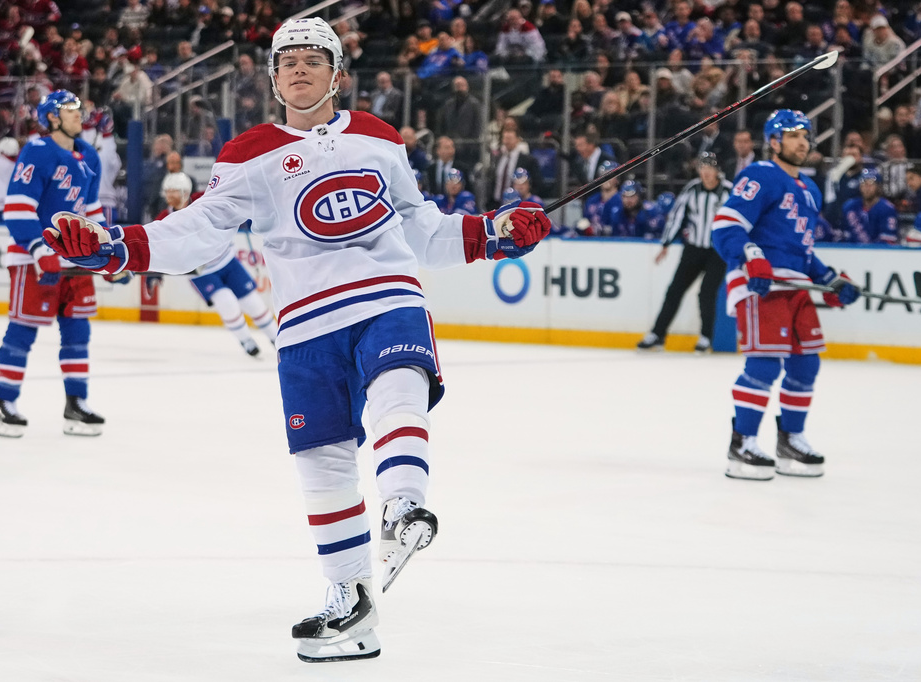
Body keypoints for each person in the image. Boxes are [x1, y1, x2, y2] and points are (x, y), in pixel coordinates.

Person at [41, 17, 551, 663]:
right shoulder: (247, 151)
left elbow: (423, 227)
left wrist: (495, 233)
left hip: (385, 294)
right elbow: (198, 230)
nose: (299, 69)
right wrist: (117, 247)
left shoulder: (377, 136)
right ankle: (352, 605)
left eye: (314, 59)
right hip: (305, 323)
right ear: (274, 79)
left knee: (400, 384)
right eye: (288, 62)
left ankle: (403, 506)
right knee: (323, 458)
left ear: (338, 74)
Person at [711, 110, 861, 481]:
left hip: (795, 288)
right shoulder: (760, 175)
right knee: (764, 364)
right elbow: (726, 226)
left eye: (805, 136)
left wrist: (831, 280)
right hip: (762, 285)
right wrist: (753, 258)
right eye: (792, 135)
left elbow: (803, 253)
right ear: (774, 141)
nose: (802, 142)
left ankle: (790, 439)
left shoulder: (809, 190)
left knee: (806, 364)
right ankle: (742, 444)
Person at [0, 90, 122, 439]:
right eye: (70, 110)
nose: (79, 115)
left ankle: (75, 405)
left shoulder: (89, 155)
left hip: (74, 262)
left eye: (80, 109)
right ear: (51, 117)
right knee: (22, 331)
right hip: (35, 261)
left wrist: (108, 255)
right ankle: (3, 406)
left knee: (79, 331)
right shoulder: (36, 151)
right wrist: (37, 249)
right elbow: (17, 207)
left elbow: (90, 214)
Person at [152, 172, 278, 355]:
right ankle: (246, 341)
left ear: (185, 192)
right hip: (201, 271)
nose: (170, 196)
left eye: (175, 191)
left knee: (253, 302)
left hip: (226, 259)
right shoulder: (164, 217)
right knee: (226, 302)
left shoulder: (202, 201)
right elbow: (157, 245)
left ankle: (276, 338)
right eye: (167, 191)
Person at [638, 152, 732, 354]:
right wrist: (666, 244)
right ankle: (657, 334)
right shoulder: (692, 189)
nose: (705, 172)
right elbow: (676, 217)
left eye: (709, 168)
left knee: (706, 293)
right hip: (694, 248)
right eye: (702, 168)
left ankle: (706, 337)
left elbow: (737, 221)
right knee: (674, 291)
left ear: (717, 170)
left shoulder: (728, 191)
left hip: (717, 252)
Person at [841, 168, 899, 244]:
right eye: (863, 183)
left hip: (878, 253)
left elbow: (888, 241)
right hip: (853, 252)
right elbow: (844, 236)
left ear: (878, 187)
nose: (866, 187)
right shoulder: (850, 206)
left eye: (871, 183)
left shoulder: (887, 209)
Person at [579, 160, 619, 236]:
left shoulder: (622, 201)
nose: (605, 179)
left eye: (610, 176)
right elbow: (585, 222)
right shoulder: (591, 200)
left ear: (617, 179)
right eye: (602, 175)